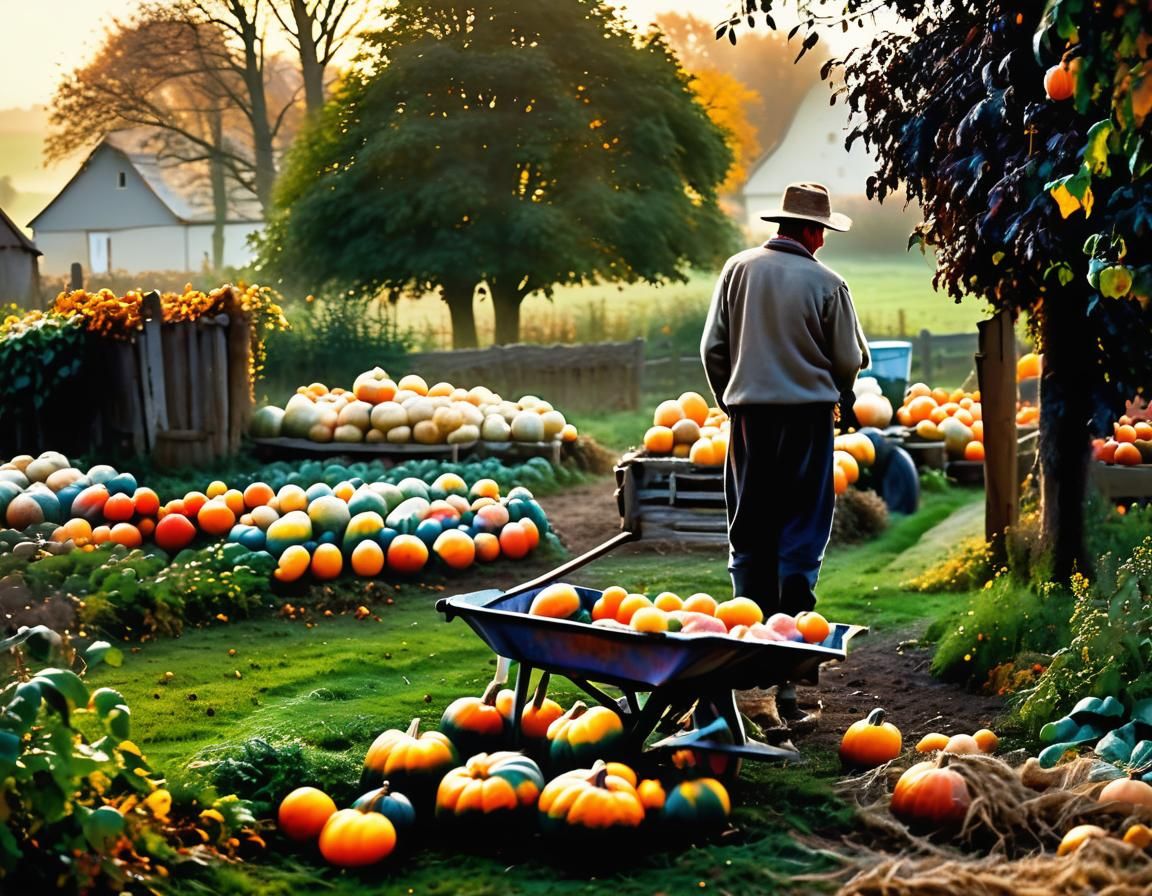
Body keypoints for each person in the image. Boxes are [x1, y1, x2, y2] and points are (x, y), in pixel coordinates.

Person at [701, 181, 870, 623]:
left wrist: (730, 399)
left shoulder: (736, 269)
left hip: (748, 419)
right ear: (813, 232)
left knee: (750, 525)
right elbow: (849, 358)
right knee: (802, 524)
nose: (824, 239)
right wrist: (840, 394)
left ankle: (747, 633)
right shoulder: (829, 283)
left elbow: (712, 349)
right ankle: (792, 638)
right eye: (824, 231)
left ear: (782, 225)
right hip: (807, 421)